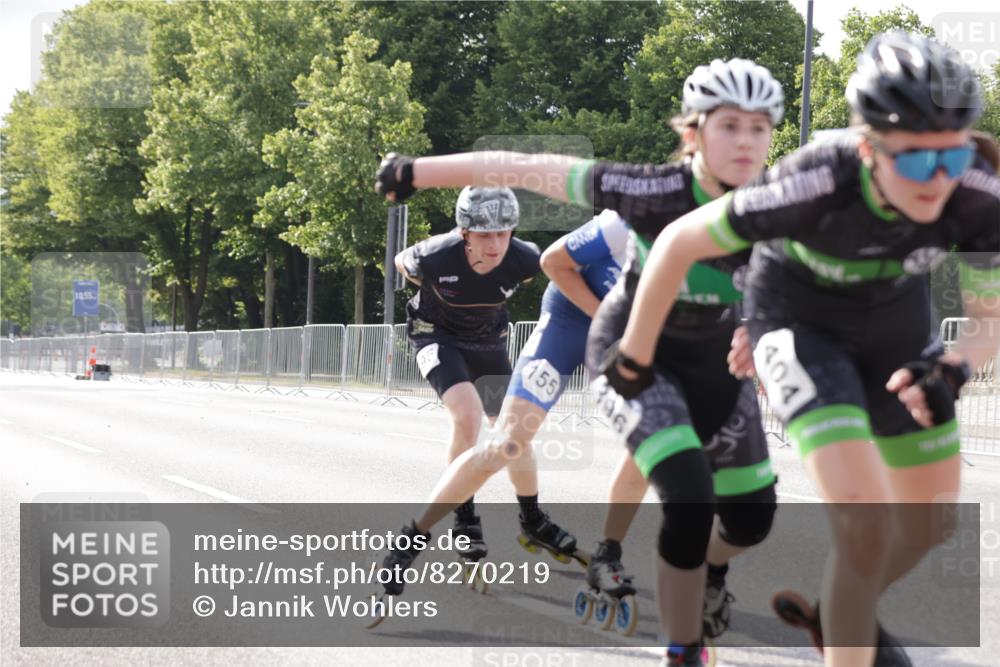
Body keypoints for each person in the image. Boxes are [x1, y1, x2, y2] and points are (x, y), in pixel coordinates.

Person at [600, 32, 1000, 667]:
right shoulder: (814, 180)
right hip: (798, 320)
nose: (939, 179)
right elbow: (678, 242)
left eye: (952, 155)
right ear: (868, 148)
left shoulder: (977, 190)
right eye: (917, 162)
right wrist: (634, 356)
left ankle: (841, 606)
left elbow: (988, 314)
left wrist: (955, 367)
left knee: (930, 526)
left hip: (894, 326)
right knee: (864, 528)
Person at [376, 58, 786, 666]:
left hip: (665, 340)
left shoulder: (772, 209)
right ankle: (414, 535)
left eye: (759, 129)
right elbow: (550, 241)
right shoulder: (639, 207)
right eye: (729, 126)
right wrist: (419, 172)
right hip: (579, 323)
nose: (745, 143)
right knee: (507, 442)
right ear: (693, 135)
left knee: (683, 470)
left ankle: (615, 552)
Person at [374, 186, 542, 609]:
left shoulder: (525, 259)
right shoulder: (435, 256)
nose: (494, 245)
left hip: (487, 342)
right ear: (464, 232)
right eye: (483, 235)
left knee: (516, 430)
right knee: (467, 417)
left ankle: (531, 517)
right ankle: (465, 518)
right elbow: (402, 261)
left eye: (503, 233)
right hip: (436, 336)